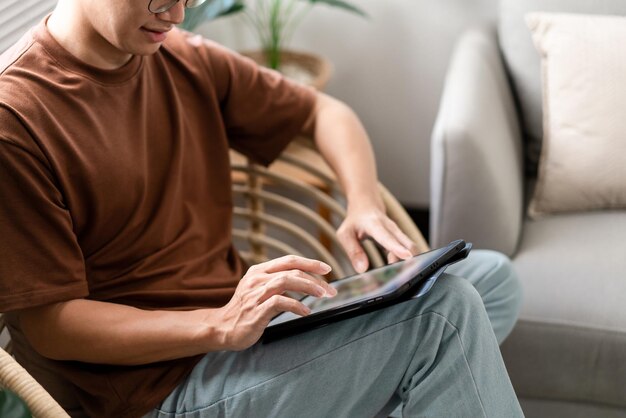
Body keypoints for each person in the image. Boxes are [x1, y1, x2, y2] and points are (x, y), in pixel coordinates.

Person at [0, 0, 524, 417]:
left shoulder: (179, 56)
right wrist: (218, 325)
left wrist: (362, 202)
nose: (179, 14)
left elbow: (324, 111)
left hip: (244, 335)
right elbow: (53, 325)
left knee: (491, 279)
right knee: (444, 316)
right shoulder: (16, 119)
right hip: (159, 389)